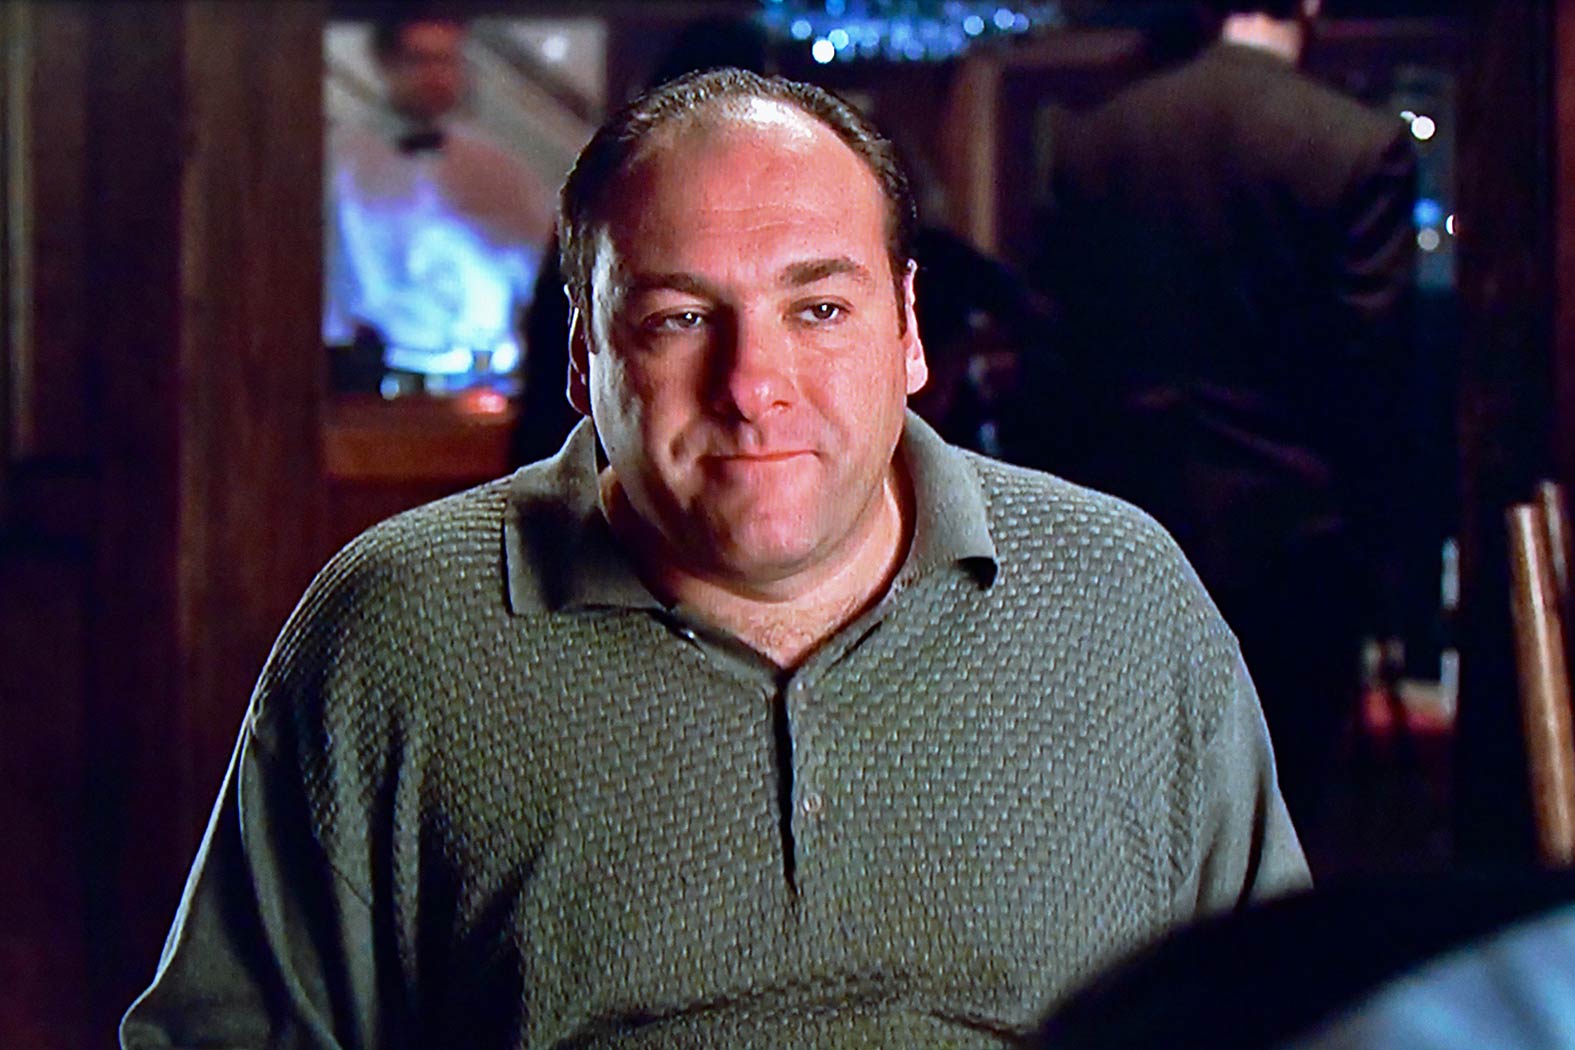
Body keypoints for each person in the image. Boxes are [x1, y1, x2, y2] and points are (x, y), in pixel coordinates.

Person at [122, 69, 1307, 1048]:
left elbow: (1291, 1018)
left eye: (819, 309)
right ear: (584, 356)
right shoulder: (401, 624)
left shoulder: (1121, 594)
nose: (752, 387)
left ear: (908, 329)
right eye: (680, 319)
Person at [1022, 0, 1417, 836]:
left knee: (1127, 817)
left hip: (1122, 523)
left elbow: (1055, 360)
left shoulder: (1099, 139)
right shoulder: (1350, 142)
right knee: (1285, 818)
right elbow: (1369, 375)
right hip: (1292, 536)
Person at [324, 13, 555, 389]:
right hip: (376, 382)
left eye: (447, 60)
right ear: (387, 63)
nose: (436, 76)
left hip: (487, 380)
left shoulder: (498, 167)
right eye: (421, 60)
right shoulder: (341, 165)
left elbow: (544, 264)